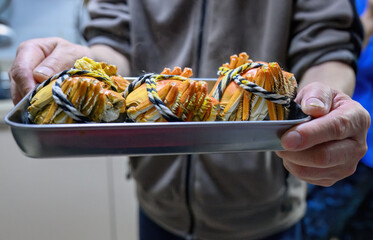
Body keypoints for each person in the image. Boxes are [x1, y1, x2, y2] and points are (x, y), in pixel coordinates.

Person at [8, 1, 371, 239]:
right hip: (156, 207)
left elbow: (327, 46)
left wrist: (323, 101)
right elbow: (112, 41)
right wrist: (87, 75)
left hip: (266, 215)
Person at [303, 0, 373, 239]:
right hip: (350, 147)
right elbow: (339, 57)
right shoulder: (350, 7)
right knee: (313, 227)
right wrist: (369, 22)